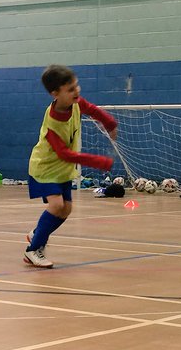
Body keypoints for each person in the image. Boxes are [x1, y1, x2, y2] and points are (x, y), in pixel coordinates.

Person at [24, 64, 117, 269]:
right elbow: (64, 154)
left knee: (66, 209)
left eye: (76, 86)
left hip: (62, 170)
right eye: (70, 89)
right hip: (45, 168)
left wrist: (109, 123)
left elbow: (92, 110)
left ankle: (38, 233)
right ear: (55, 94)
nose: (77, 91)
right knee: (56, 205)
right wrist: (98, 161)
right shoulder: (52, 123)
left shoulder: (76, 103)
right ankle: (33, 250)